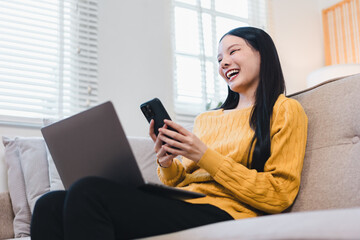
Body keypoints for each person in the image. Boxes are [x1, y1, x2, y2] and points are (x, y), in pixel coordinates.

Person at [30, 26, 308, 240]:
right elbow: (181, 182)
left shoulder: (284, 110)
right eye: (219, 58)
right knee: (49, 203)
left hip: (228, 213)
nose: (224, 62)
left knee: (88, 191)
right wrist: (167, 161)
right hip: (186, 203)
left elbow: (279, 194)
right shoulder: (208, 119)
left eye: (233, 52)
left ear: (263, 54)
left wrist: (204, 154)